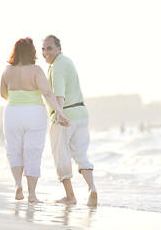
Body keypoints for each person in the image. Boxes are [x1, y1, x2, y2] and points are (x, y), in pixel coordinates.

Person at [0, 37, 70, 203]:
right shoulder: (36, 70)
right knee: (33, 152)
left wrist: (18, 97)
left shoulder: (7, 70)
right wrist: (59, 112)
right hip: (34, 114)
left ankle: (18, 185)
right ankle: (31, 195)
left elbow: (3, 94)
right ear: (32, 52)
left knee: (14, 150)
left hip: (12, 114)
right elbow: (47, 93)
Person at [42, 35, 97, 206]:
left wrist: (59, 114)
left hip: (65, 115)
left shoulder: (57, 66)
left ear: (59, 49)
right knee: (81, 154)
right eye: (43, 49)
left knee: (61, 156)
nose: (45, 52)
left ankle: (70, 196)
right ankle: (92, 188)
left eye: (49, 48)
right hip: (81, 113)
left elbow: (59, 93)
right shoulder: (68, 61)